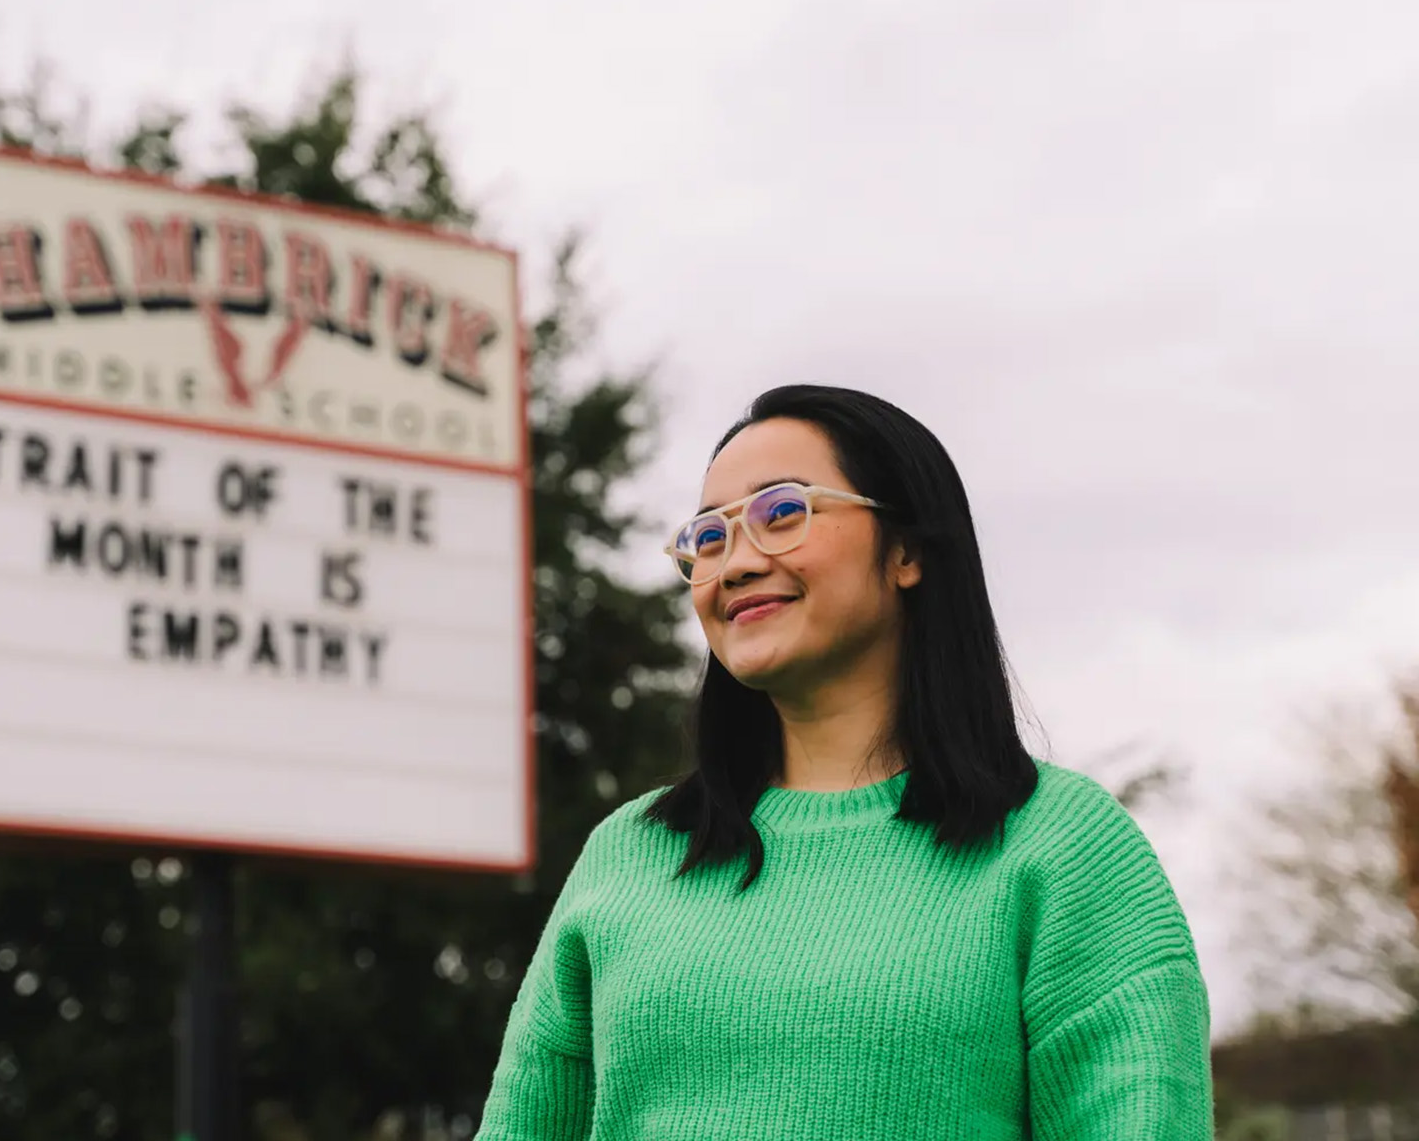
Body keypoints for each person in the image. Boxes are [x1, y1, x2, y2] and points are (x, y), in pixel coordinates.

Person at [475, 385, 1212, 1139]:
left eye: (782, 513)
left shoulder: (1061, 846)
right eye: (707, 538)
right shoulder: (628, 855)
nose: (733, 565)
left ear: (907, 549)